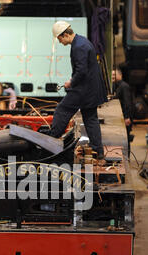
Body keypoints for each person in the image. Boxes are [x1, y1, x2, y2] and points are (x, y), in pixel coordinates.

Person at [42, 21, 108, 160]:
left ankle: (51, 139)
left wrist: (71, 82)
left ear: (65, 35)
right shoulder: (81, 41)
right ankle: (98, 150)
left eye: (59, 39)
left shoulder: (79, 46)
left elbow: (81, 71)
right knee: (90, 118)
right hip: (90, 88)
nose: (60, 42)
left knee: (62, 109)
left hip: (84, 89)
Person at [112, 67, 134, 158]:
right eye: (112, 75)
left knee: (126, 139)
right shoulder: (117, 86)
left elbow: (127, 102)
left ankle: (127, 158)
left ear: (120, 75)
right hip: (121, 117)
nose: (113, 77)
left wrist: (127, 117)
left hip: (125, 118)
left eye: (114, 75)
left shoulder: (124, 86)